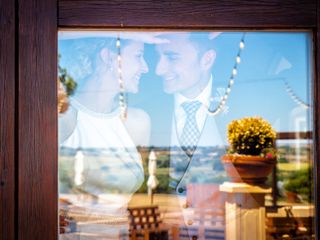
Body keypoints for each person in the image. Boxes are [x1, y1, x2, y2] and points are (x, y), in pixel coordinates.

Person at [58, 32, 160, 239]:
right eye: (138, 55)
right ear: (108, 57)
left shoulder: (137, 123)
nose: (146, 67)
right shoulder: (65, 118)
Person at [155, 32, 227, 240]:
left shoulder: (243, 103)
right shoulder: (147, 110)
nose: (159, 69)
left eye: (171, 57)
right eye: (157, 57)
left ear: (207, 59)